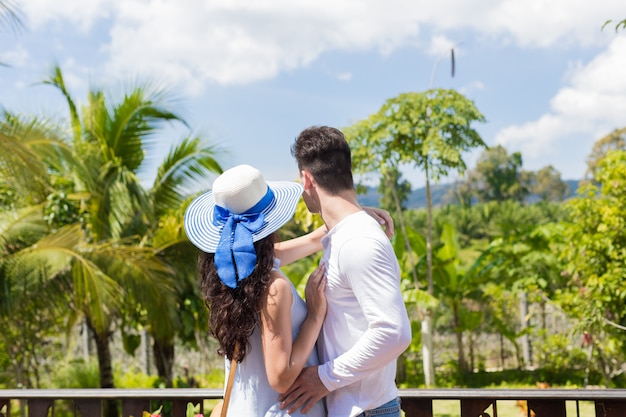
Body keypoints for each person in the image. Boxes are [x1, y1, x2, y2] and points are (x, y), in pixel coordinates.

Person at [183, 164, 393, 417]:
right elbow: (280, 378)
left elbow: (309, 241)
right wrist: (314, 317)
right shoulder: (273, 287)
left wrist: (351, 217)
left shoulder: (233, 276)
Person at [279, 126, 412, 417]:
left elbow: (394, 333)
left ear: (306, 179)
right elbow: (264, 259)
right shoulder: (345, 234)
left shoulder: (358, 241)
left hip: (366, 411)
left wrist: (324, 377)